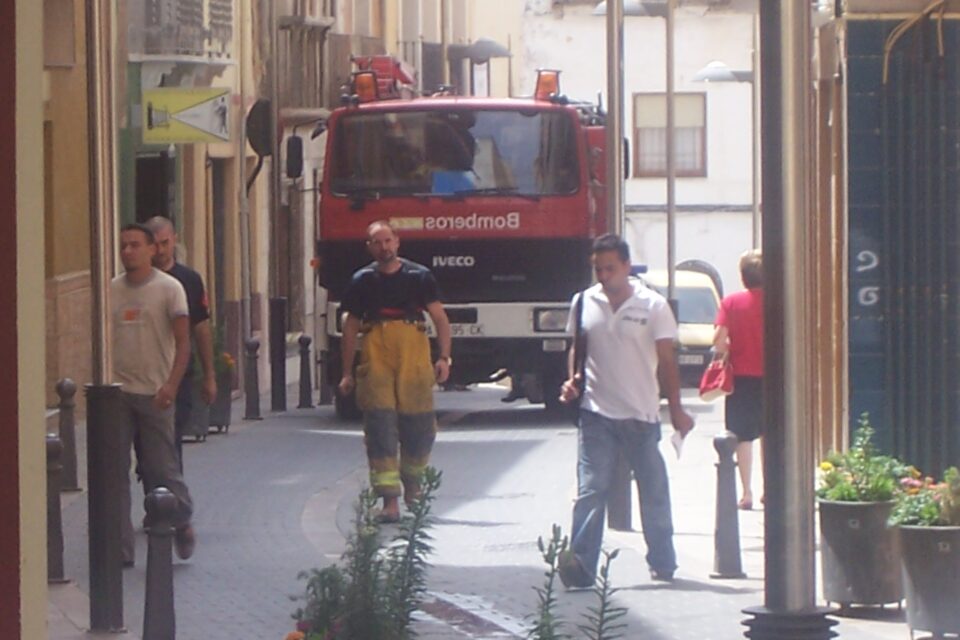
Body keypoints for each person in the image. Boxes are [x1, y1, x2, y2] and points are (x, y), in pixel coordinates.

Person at [557, 234, 695, 588]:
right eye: (598, 269)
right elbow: (578, 348)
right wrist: (572, 379)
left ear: (626, 266)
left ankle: (663, 561)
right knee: (591, 489)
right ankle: (581, 566)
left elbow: (667, 361)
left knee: (652, 489)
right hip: (596, 413)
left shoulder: (653, 305)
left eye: (610, 268)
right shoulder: (583, 302)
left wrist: (676, 408)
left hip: (640, 414)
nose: (604, 275)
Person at [337, 220, 452, 523]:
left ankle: (413, 486)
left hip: (413, 356)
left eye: (388, 241)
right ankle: (390, 501)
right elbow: (350, 328)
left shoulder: (420, 276)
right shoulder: (362, 281)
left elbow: (440, 319)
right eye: (377, 242)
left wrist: (444, 358)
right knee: (380, 429)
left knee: (419, 427)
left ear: (398, 242)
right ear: (369, 247)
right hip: (376, 357)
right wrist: (346, 372)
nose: (384, 247)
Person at [112, 223, 196, 566]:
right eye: (123, 246)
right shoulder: (112, 289)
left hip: (155, 393)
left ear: (151, 250)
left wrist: (172, 385)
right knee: (114, 473)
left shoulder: (169, 289)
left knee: (160, 468)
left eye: (135, 245)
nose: (128, 251)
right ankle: (120, 551)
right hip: (118, 394)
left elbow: (183, 342)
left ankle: (182, 518)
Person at [145, 215, 216, 466]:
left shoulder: (190, 280)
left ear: (174, 240)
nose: (161, 250)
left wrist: (209, 376)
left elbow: (201, 328)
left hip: (179, 374)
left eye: (166, 243)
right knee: (149, 442)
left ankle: (170, 494)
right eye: (155, 244)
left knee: (172, 436)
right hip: (146, 375)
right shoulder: (137, 280)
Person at [713, 249, 764, 510]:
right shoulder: (779, 300)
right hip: (774, 378)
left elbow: (719, 342)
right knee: (771, 433)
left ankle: (747, 492)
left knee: (743, 436)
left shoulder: (731, 303)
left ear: (743, 277)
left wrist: (732, 347)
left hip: (742, 379)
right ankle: (772, 489)